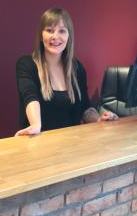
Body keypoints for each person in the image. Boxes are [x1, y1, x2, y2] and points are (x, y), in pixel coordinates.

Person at [15, 8, 117, 136]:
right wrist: (35, 125)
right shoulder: (27, 64)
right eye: (49, 30)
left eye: (62, 31)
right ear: (41, 35)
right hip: (38, 142)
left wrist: (98, 119)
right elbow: (30, 97)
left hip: (71, 144)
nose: (55, 37)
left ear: (69, 36)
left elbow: (85, 108)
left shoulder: (77, 68)